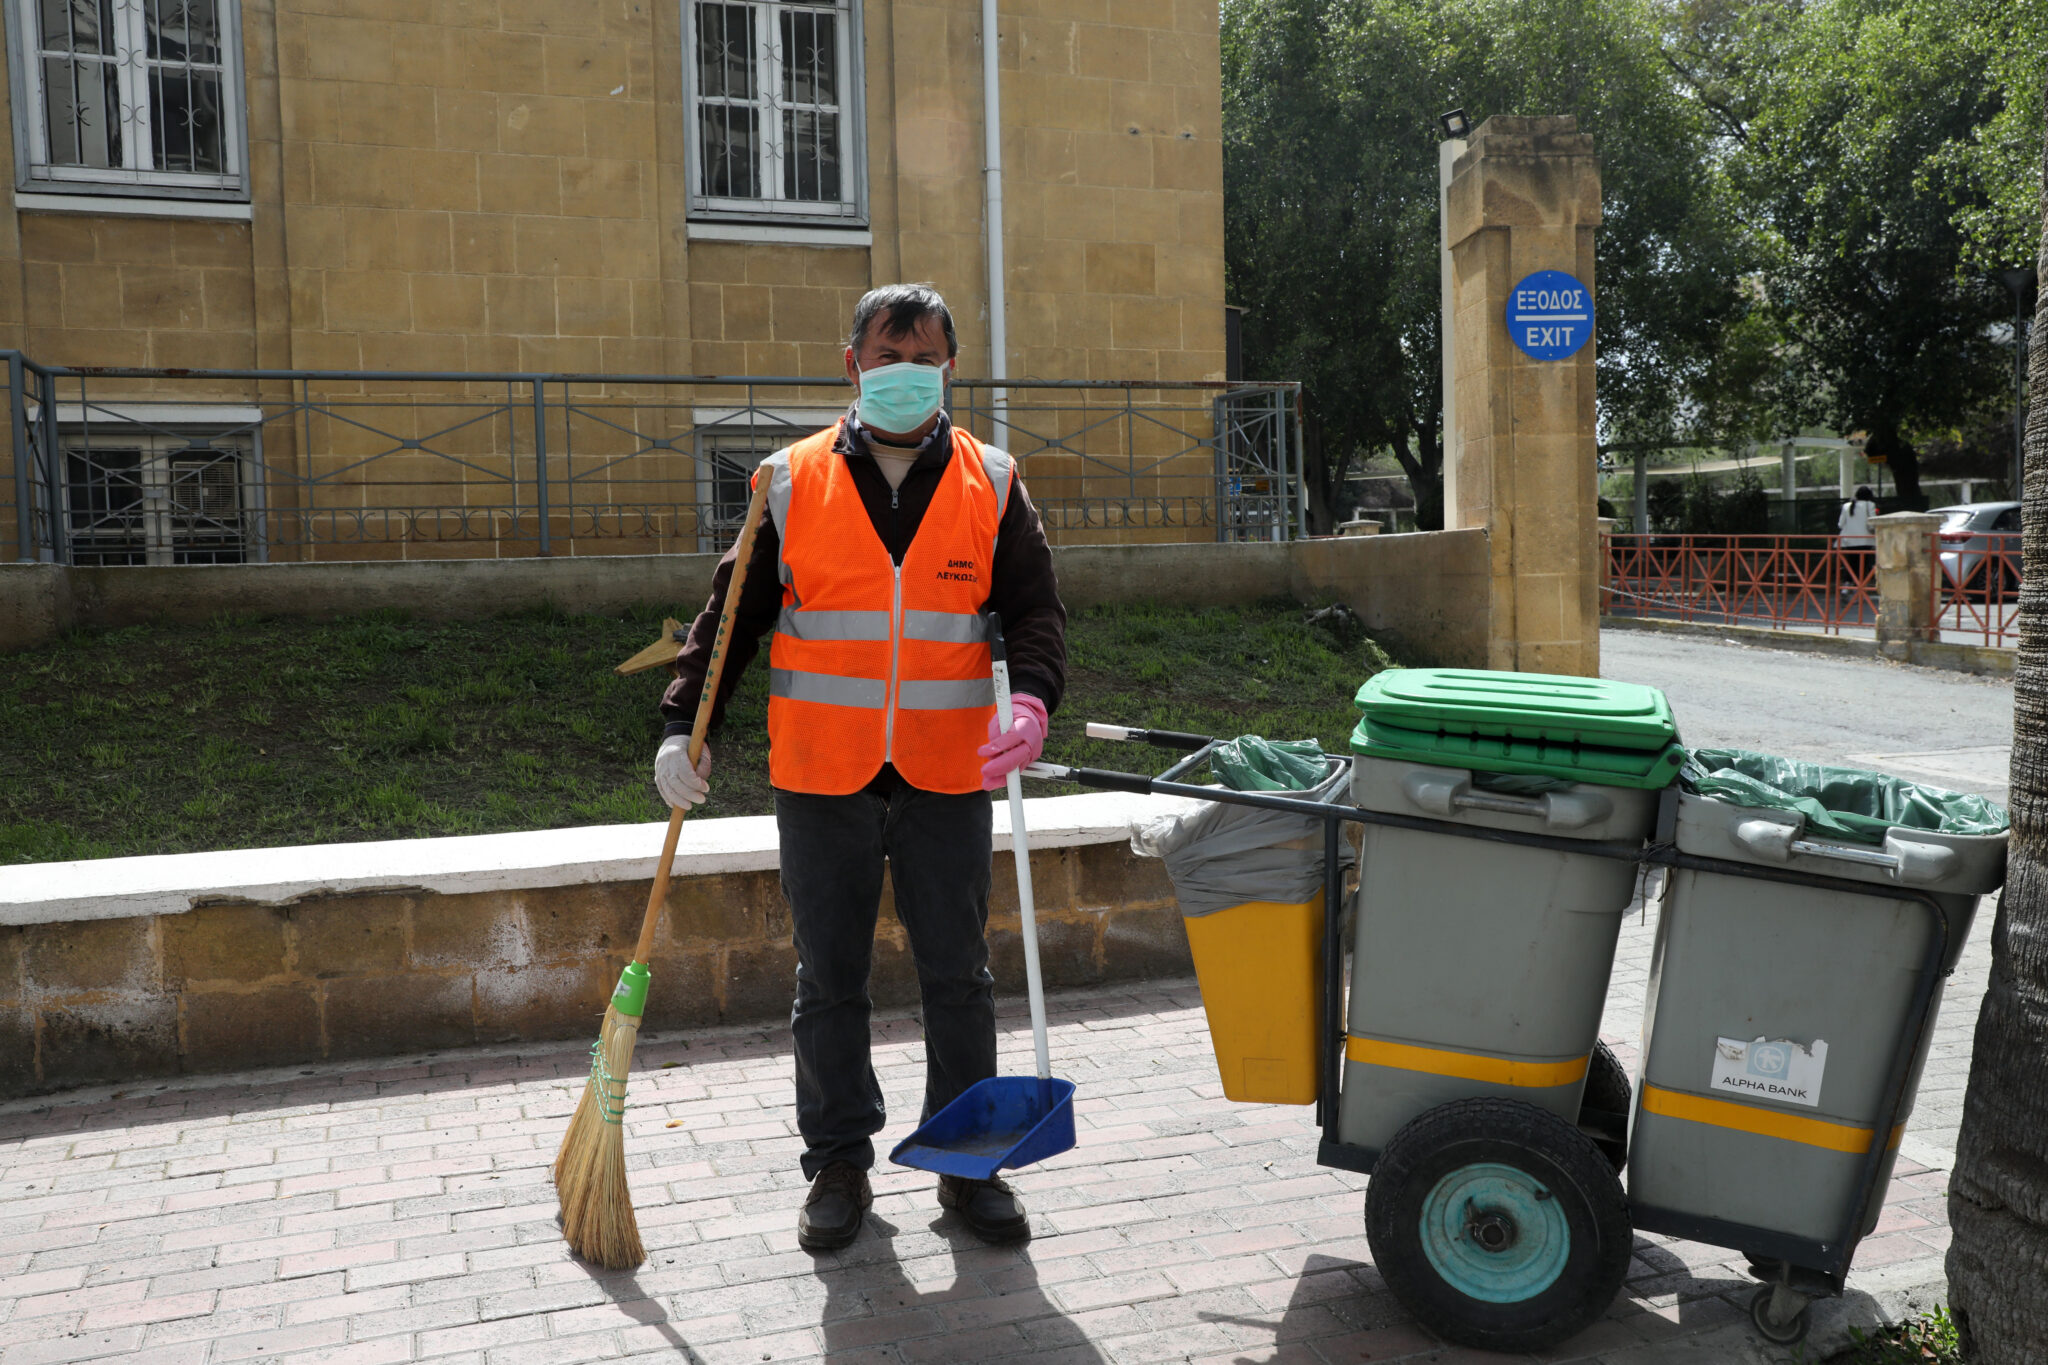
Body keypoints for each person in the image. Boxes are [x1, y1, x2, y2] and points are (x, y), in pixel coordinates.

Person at [652, 283, 1068, 1251]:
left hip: (945, 770)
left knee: (957, 977)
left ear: (950, 370)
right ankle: (838, 1166)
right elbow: (728, 625)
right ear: (851, 366)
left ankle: (971, 1170)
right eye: (887, 357)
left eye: (923, 358)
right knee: (828, 979)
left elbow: (1037, 613)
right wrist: (683, 725)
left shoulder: (993, 482)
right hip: (823, 774)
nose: (904, 374)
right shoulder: (788, 481)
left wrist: (1032, 699)